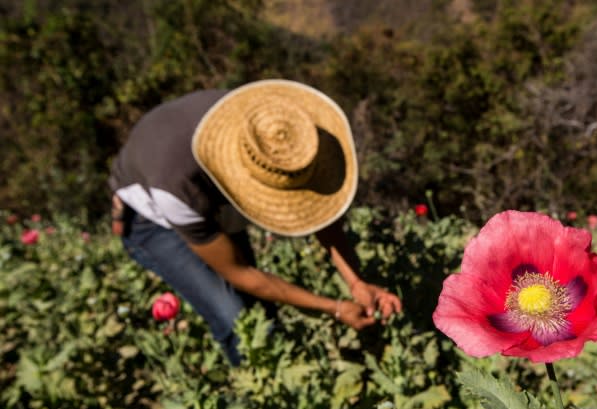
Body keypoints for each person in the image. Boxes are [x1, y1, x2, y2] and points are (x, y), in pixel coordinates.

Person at [108, 79, 402, 366]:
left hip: (194, 186)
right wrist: (334, 308)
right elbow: (240, 273)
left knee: (264, 315)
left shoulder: (274, 127)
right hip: (152, 219)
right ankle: (257, 396)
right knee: (236, 318)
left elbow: (320, 213)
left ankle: (279, 373)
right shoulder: (180, 187)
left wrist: (356, 282)